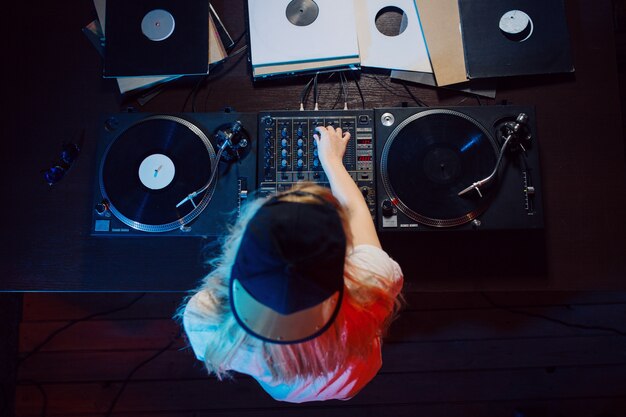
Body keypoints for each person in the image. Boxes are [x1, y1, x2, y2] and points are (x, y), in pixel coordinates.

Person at [178, 125, 404, 403]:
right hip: (351, 378)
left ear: (239, 247)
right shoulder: (372, 280)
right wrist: (332, 160)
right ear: (343, 258)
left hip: (286, 389)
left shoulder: (204, 318)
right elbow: (356, 213)